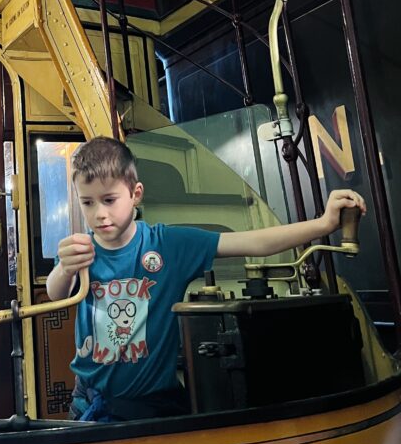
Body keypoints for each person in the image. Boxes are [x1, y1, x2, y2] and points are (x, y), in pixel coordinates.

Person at [46, 136, 366, 423]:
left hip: (151, 403)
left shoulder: (168, 245)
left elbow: (253, 242)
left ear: (135, 194)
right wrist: (64, 267)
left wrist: (323, 225)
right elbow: (55, 293)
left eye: (109, 200)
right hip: (89, 401)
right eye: (87, 202)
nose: (99, 213)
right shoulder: (82, 251)